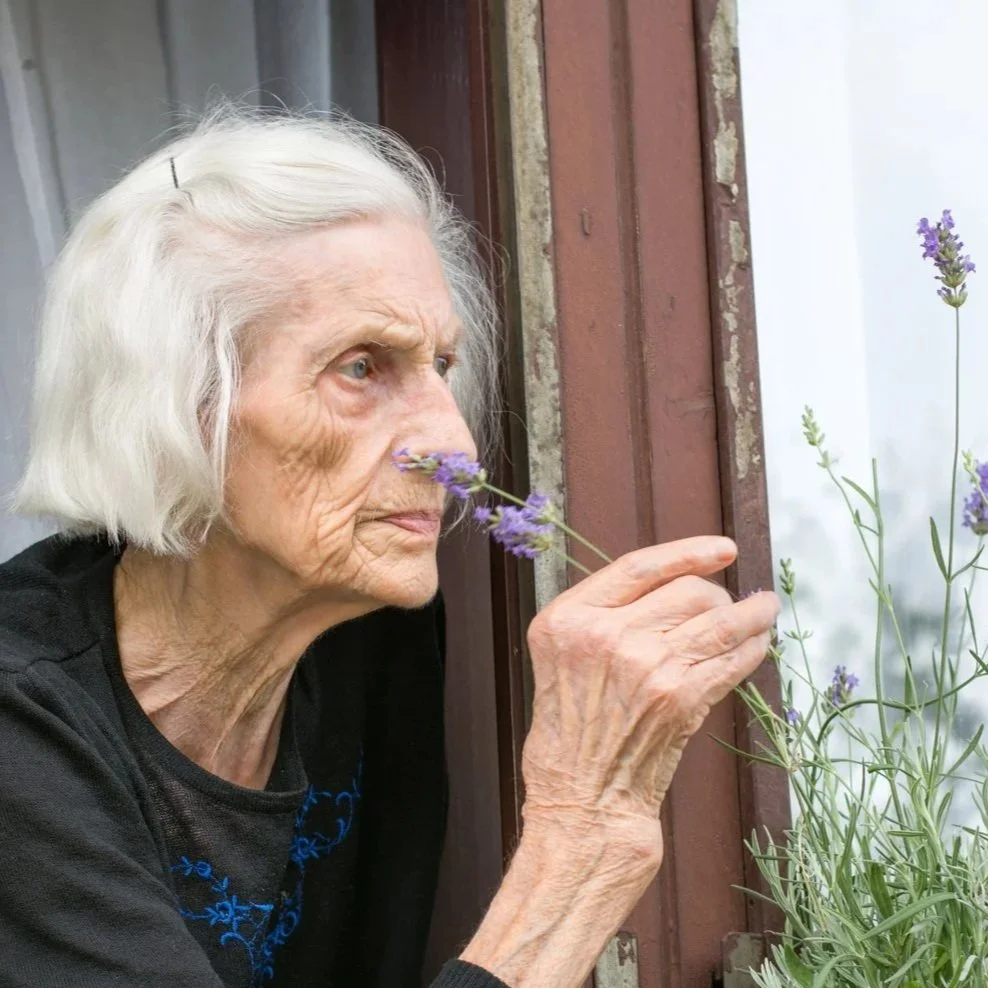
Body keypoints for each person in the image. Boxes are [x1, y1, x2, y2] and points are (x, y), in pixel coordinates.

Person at [0, 107, 780, 988]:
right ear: (180, 406)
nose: (454, 448)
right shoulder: (21, 724)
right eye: (362, 367)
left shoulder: (368, 632)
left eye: (440, 366)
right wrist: (581, 834)